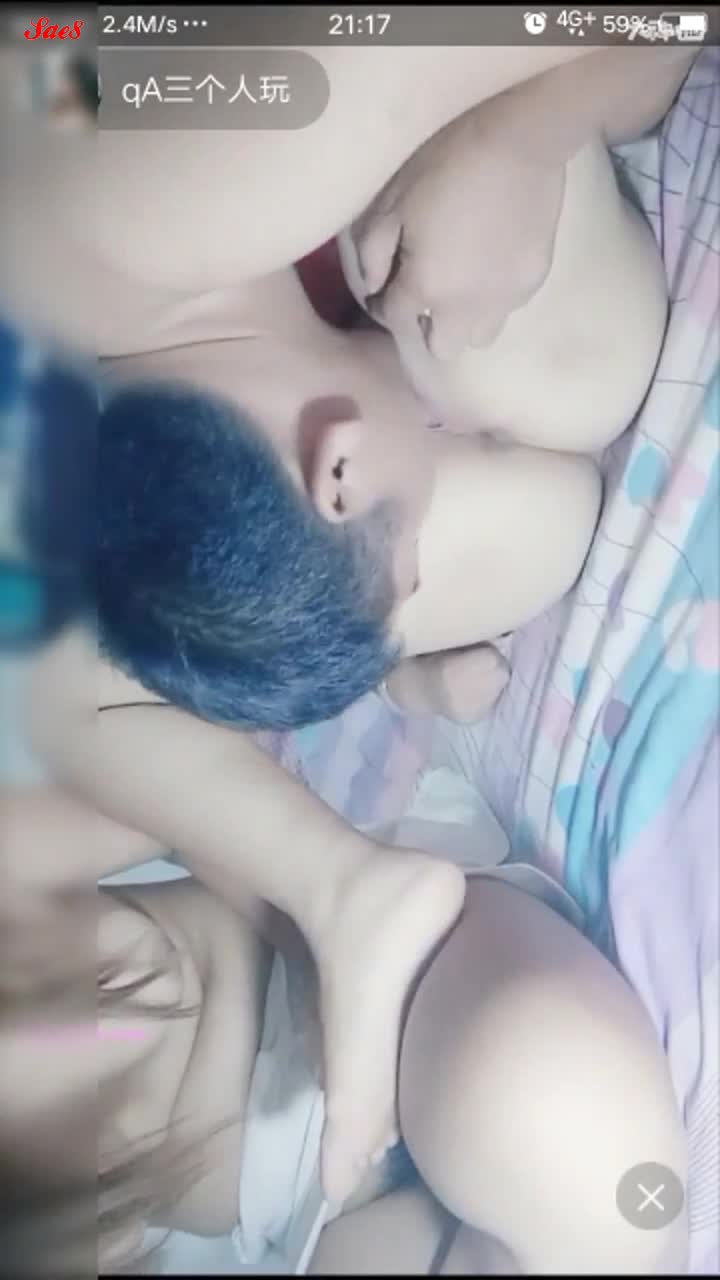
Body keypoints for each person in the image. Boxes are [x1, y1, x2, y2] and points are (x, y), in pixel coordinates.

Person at [6, 46, 698, 1206]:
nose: (450, 444)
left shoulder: (187, 182)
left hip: (289, 108)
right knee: (544, 512)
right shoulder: (97, 430)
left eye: (407, 540)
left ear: (337, 469)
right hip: (285, 305)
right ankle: (342, 881)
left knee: (584, 378)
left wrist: (519, 138)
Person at [0, 788, 689, 1275]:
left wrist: (309, 928)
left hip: (406, 957)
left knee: (544, 1106)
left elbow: (154, 787)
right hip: (349, 1208)